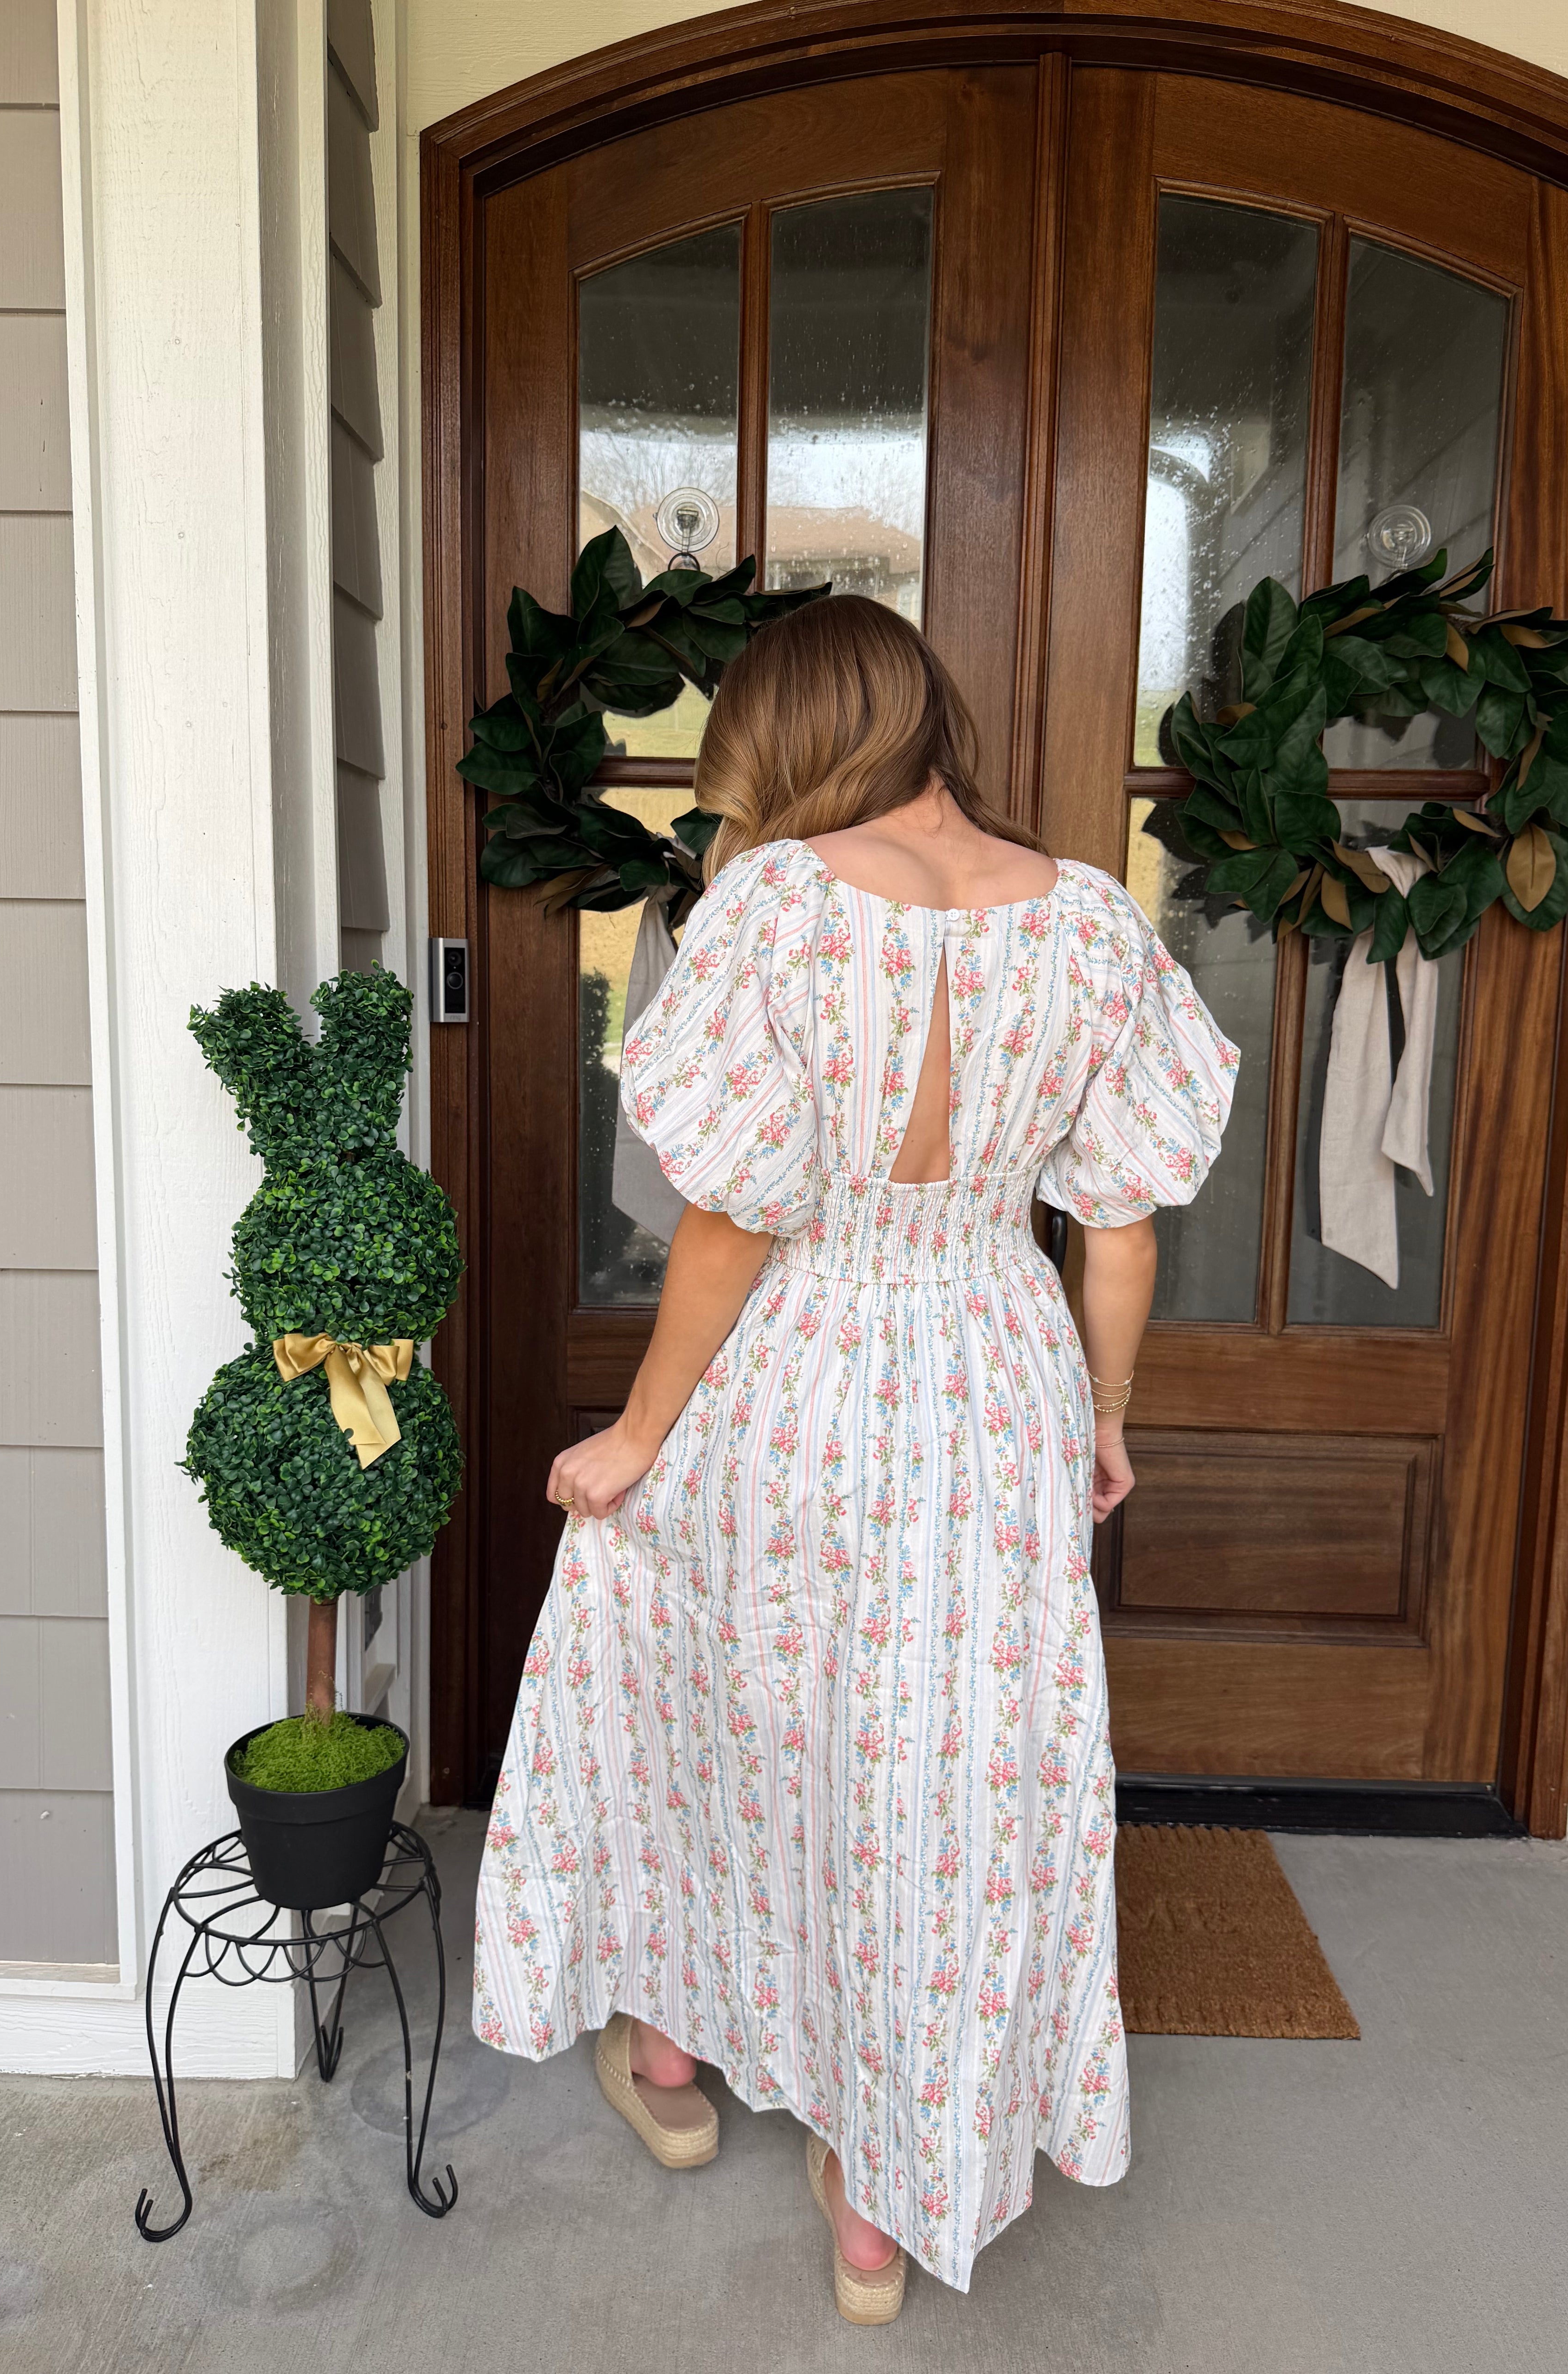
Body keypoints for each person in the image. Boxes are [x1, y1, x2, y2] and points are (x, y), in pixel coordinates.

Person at [473, 594, 1237, 2320]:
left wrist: (638, 1435)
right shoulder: (1098, 925)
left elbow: (734, 1220)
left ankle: (672, 2059)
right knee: (943, 1765)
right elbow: (1117, 1231)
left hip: (806, 1365)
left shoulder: (774, 911)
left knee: (725, 1683)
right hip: (991, 1367)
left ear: (795, 740)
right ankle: (878, 2211)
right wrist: (1107, 1420)